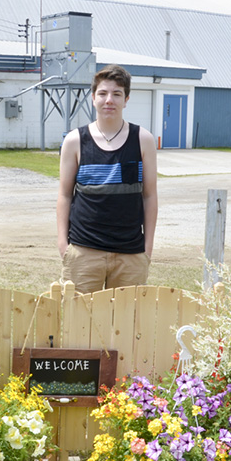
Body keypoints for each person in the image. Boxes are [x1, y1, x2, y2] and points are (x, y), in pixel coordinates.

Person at [56, 64, 158, 293]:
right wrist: (63, 244)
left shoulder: (143, 140)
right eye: (102, 93)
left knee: (126, 325)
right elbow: (64, 195)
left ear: (126, 99)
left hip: (130, 254)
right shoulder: (75, 141)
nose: (109, 100)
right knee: (79, 323)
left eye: (116, 94)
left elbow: (150, 196)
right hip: (84, 252)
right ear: (93, 98)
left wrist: (147, 248)